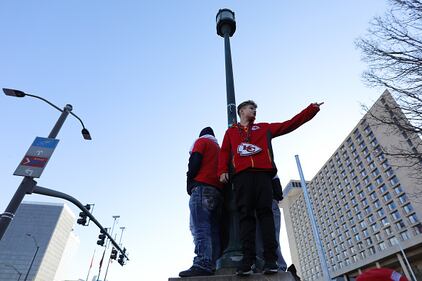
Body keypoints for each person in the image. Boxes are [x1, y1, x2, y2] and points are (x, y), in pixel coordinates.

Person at [218, 100, 322, 276]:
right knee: (246, 217)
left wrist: (311, 110)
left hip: (263, 176)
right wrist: (222, 171)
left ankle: (270, 260)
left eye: (256, 109)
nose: (255, 111)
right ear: (241, 111)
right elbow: (224, 152)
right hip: (242, 177)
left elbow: (288, 125)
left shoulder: (264, 128)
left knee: (266, 216)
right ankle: (247, 261)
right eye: (251, 108)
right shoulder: (230, 132)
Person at [179, 127, 224, 277]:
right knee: (214, 230)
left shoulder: (201, 142)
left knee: (200, 228)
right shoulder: (219, 148)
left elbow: (194, 162)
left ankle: (202, 262)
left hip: (201, 188)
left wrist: (189, 181)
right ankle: (213, 264)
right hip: (217, 191)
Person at [256, 175, 287, 272]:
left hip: (269, 203)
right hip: (261, 204)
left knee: (272, 237)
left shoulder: (268, 166)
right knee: (261, 239)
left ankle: (279, 266)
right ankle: (270, 266)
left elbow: (278, 190)